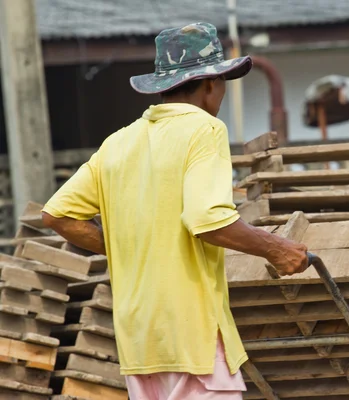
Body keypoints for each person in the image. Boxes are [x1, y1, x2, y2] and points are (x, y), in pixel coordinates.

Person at [41, 22, 309, 400]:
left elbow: (57, 215)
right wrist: (277, 249)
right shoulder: (205, 129)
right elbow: (207, 221)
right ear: (211, 84)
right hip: (191, 337)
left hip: (139, 341)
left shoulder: (118, 142)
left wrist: (129, 247)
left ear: (162, 86)